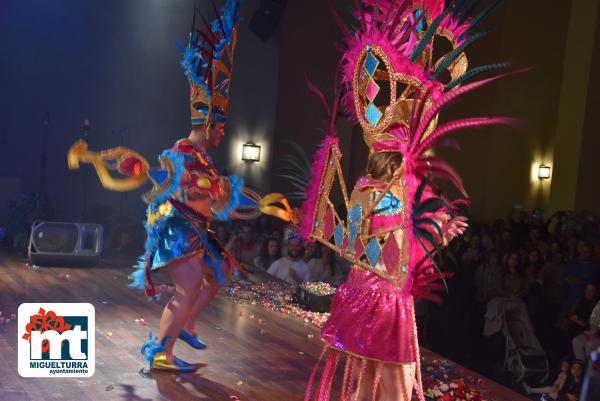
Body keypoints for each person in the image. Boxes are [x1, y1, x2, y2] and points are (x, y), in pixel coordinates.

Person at [300, 2, 507, 399]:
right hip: (384, 298)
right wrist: (438, 233)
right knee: (394, 384)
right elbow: (397, 252)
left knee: (371, 380)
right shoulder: (399, 188)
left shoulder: (370, 185)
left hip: (367, 290)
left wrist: (438, 233)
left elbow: (377, 246)